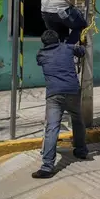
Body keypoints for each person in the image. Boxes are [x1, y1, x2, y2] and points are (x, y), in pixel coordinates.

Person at [32, 30, 89, 179]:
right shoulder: (67, 48)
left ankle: (47, 167)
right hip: (72, 91)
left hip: (54, 95)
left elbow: (41, 62)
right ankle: (81, 151)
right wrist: (82, 42)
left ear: (43, 43)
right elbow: (82, 51)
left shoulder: (40, 55)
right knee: (77, 119)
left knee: (52, 127)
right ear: (58, 40)